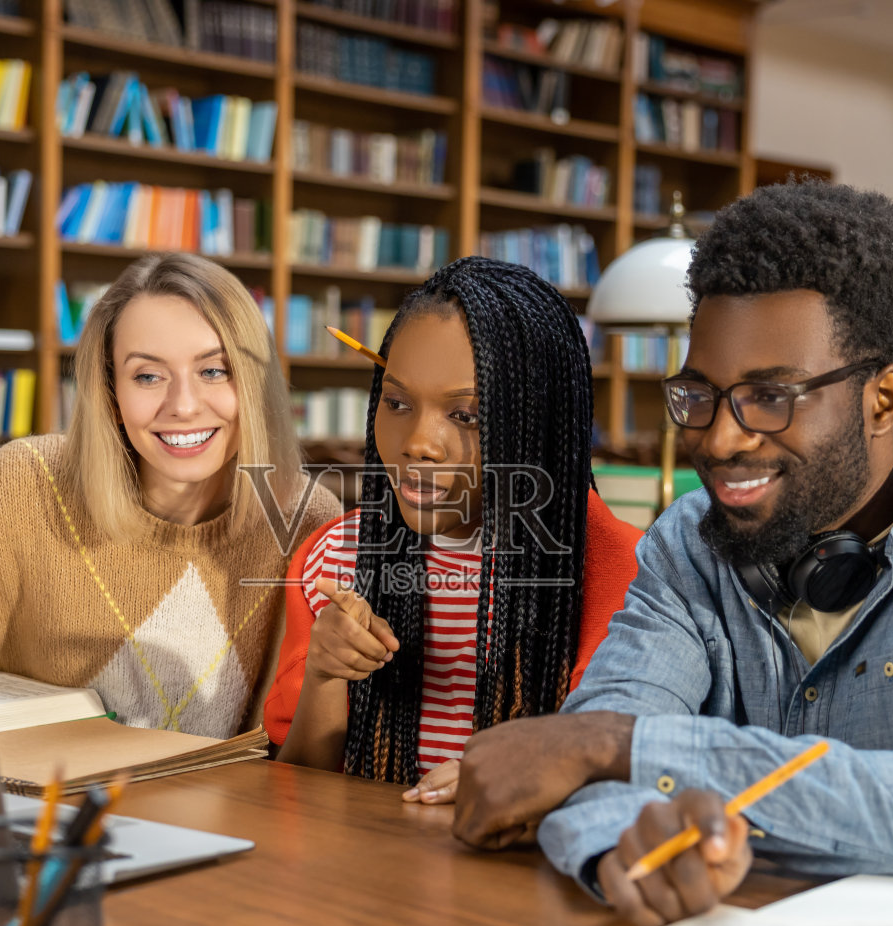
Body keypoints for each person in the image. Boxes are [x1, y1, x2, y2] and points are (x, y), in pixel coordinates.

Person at [452, 182, 893, 926]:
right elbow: (577, 768)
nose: (721, 439)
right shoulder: (687, 545)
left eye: (770, 397)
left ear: (883, 399)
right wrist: (623, 850)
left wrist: (621, 747)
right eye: (700, 394)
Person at [0, 252, 340, 737]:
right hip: (38, 807)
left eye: (213, 370)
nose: (183, 405)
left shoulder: (309, 524)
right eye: (147, 375)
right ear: (112, 393)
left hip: (232, 818)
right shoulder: (23, 482)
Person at [266, 257, 643, 798]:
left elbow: (633, 776)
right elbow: (296, 792)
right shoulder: (335, 556)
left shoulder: (628, 576)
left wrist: (526, 769)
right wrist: (324, 676)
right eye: (396, 402)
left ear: (539, 424)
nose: (418, 442)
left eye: (466, 415)